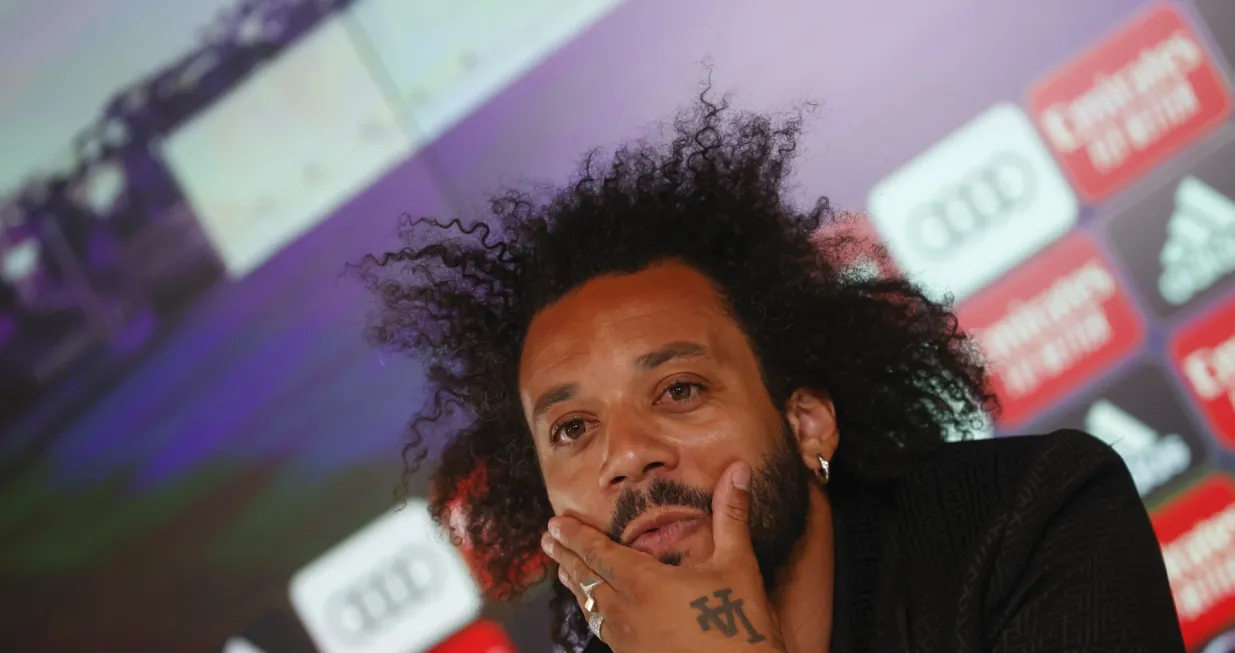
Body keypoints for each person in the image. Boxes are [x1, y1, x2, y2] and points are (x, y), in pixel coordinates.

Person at [356, 91, 1185, 653]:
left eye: (679, 390)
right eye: (573, 428)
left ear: (805, 422)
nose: (627, 454)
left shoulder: (1027, 518)